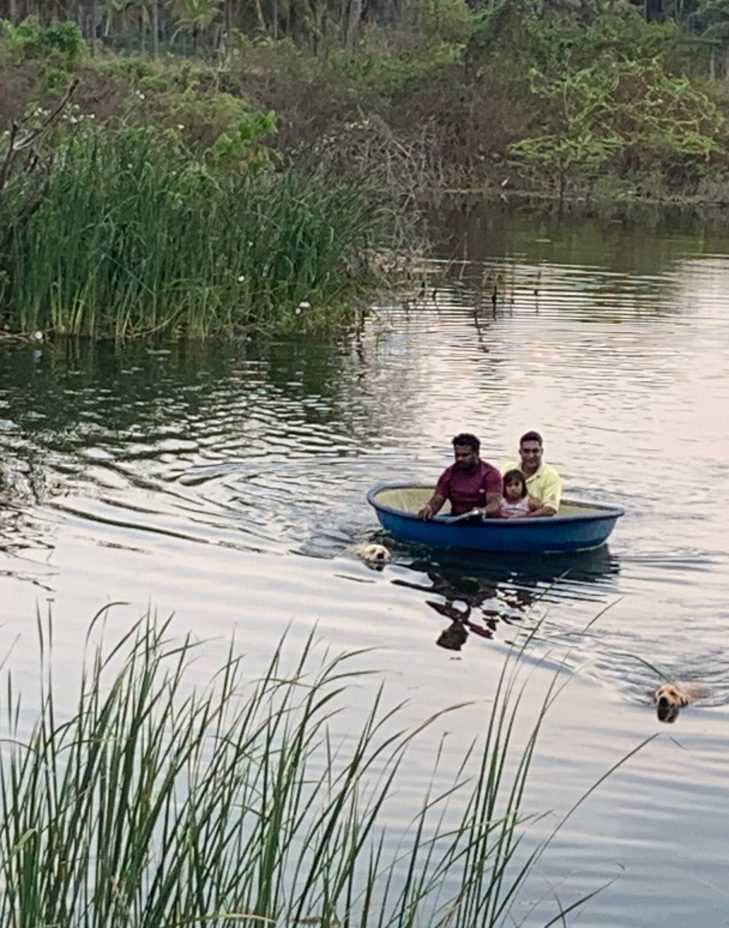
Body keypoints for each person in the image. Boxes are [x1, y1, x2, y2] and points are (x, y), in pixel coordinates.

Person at [417, 433, 502, 520]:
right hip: (457, 521)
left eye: (465, 455)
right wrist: (429, 508)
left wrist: (482, 511)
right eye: (457, 455)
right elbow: (437, 500)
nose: (459, 459)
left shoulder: (490, 474)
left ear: (476, 454)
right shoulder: (449, 474)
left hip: (486, 523)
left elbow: (495, 504)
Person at [502, 430, 561, 517]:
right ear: (520, 452)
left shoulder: (551, 475)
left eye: (535, 451)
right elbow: (494, 495)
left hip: (535, 523)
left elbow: (550, 509)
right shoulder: (507, 469)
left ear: (541, 451)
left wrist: (523, 518)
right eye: (526, 451)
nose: (531, 456)